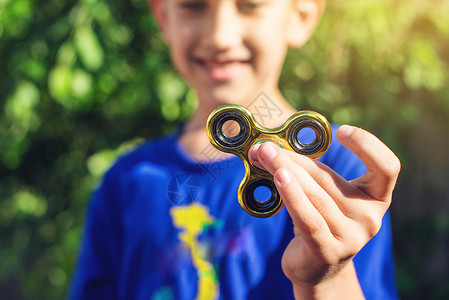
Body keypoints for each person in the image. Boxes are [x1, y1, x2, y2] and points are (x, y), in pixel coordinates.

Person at [70, 0, 401, 299]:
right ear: (163, 16)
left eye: (250, 5)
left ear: (301, 16)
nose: (220, 36)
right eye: (193, 5)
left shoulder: (338, 171)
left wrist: (327, 280)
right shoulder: (127, 182)